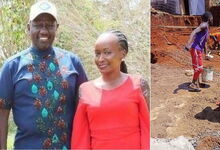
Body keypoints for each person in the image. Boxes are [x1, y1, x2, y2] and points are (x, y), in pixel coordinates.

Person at [0, 1, 88, 149]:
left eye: (49, 25)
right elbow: (2, 113)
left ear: (57, 28)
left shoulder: (72, 62)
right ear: (29, 27)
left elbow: (86, 107)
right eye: (38, 24)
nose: (44, 30)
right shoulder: (12, 66)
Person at [71, 30, 150, 149]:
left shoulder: (138, 85)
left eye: (107, 52)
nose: (100, 59)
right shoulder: (85, 90)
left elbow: (147, 130)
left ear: (123, 54)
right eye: (97, 54)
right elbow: (81, 136)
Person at [184, 12, 213, 90]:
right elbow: (193, 32)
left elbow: (205, 42)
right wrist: (188, 44)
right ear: (209, 18)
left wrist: (206, 53)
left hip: (198, 49)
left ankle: (197, 83)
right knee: (199, 68)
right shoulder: (204, 25)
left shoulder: (207, 28)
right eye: (211, 18)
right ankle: (193, 84)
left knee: (198, 67)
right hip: (195, 48)